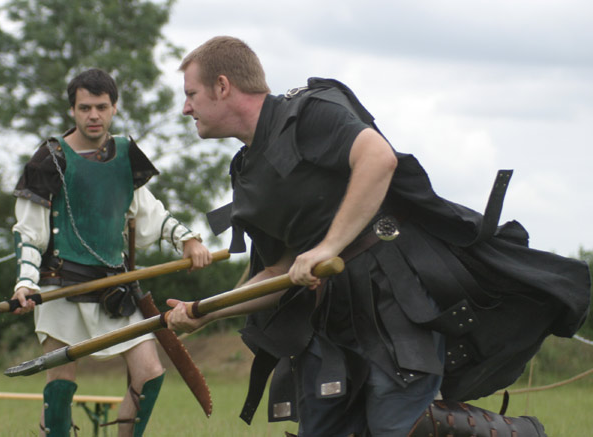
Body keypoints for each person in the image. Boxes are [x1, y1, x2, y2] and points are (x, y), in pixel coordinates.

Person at [167, 37, 590, 437]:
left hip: (394, 302)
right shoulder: (247, 171)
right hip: (326, 322)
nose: (186, 108)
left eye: (191, 94)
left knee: (395, 429)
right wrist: (207, 310)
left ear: (223, 86)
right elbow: (279, 272)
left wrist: (328, 246)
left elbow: (378, 157)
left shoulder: (310, 110)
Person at [11, 68, 213, 437]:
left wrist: (187, 240)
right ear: (72, 110)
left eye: (101, 107)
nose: (94, 115)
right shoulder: (49, 158)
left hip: (113, 287)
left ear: (114, 108)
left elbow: (149, 211)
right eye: (85, 107)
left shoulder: (124, 155)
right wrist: (25, 282)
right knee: (60, 383)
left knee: (149, 373)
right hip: (60, 286)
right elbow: (28, 231)